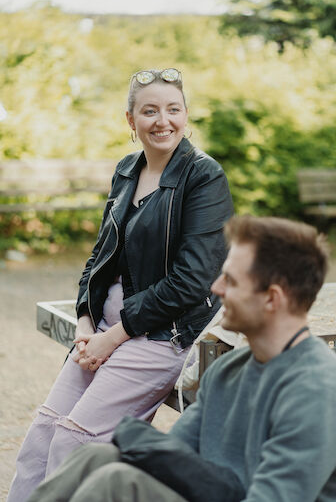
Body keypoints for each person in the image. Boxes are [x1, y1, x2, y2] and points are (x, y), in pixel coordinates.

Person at [7, 68, 233, 501]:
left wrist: (114, 335)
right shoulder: (127, 170)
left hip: (161, 336)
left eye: (173, 110)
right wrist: (85, 320)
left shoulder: (203, 177)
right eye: (149, 111)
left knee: (76, 441)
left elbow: (191, 281)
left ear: (186, 116)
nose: (162, 121)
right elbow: (100, 256)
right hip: (103, 332)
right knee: (42, 434)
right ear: (131, 120)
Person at [27, 215, 336, 502]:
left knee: (117, 481)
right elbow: (171, 458)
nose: (214, 288)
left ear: (272, 298)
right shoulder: (228, 370)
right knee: (96, 457)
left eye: (230, 280)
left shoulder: (317, 392)